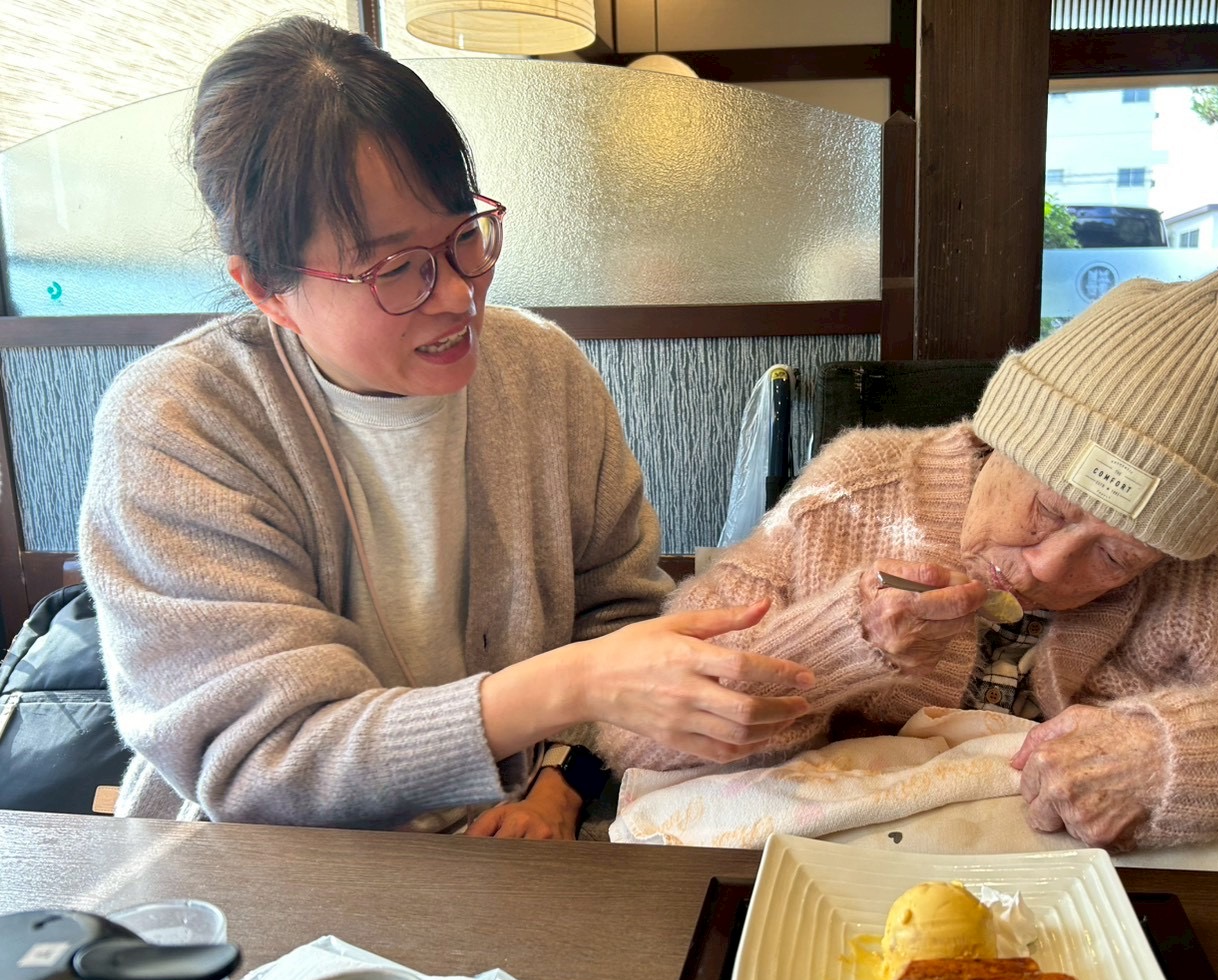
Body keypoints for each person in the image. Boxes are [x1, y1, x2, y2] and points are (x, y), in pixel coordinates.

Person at [78, 17, 814, 835]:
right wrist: (569, 686)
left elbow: (616, 610)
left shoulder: (540, 371)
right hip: (268, 871)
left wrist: (561, 781)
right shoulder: (180, 421)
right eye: (397, 268)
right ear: (265, 288)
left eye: (465, 235)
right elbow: (263, 761)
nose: (458, 294)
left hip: (522, 843)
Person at [591, 268, 1218, 852]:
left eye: (1113, 555)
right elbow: (633, 732)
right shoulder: (854, 490)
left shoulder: (1209, 572)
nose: (1046, 570)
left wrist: (1167, 757)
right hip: (824, 888)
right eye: (1048, 512)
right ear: (1001, 438)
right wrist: (839, 645)